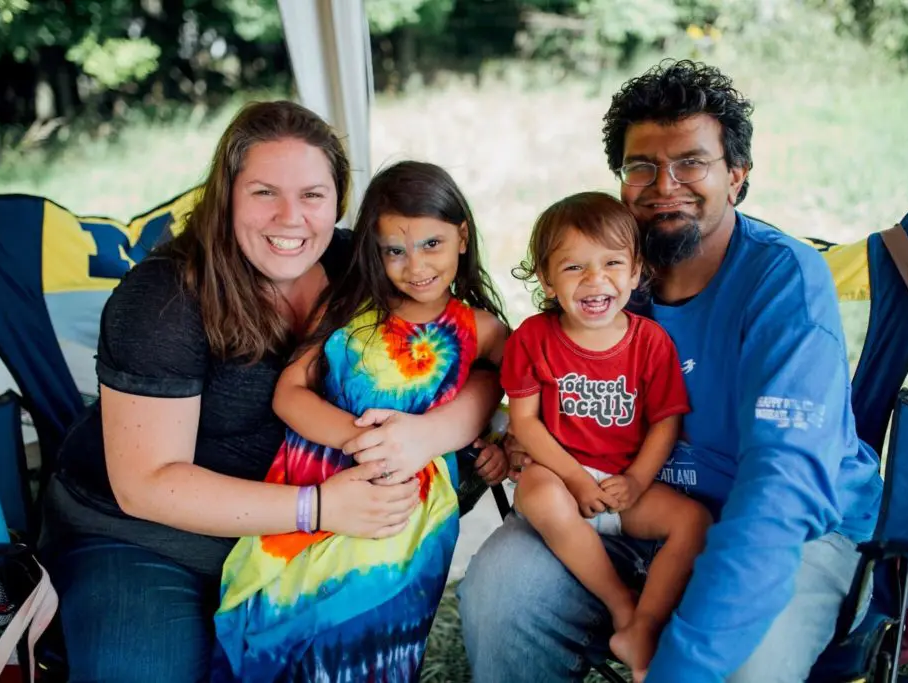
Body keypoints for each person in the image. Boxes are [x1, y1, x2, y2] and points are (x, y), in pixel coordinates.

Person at [39, 101, 507, 683]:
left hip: (318, 528)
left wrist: (432, 433)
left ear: (338, 201)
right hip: (150, 542)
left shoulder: (361, 265)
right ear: (226, 195)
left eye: (312, 195)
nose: (291, 218)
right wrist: (318, 507)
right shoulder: (163, 300)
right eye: (264, 193)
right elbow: (146, 485)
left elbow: (477, 358)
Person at [459, 59, 883, 683]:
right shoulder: (611, 278)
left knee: (742, 667)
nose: (665, 184)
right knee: (500, 591)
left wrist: (680, 667)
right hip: (623, 511)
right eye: (641, 166)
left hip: (782, 533)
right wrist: (528, 444)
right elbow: (541, 382)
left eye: (692, 162)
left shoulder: (781, 282)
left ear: (736, 177)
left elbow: (781, 489)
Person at [212, 160, 510, 682]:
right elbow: (289, 393)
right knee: (284, 622)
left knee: (371, 637)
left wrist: (500, 444)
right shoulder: (348, 306)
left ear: (462, 237)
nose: (415, 265)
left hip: (406, 509)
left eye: (432, 244)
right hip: (318, 478)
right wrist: (358, 438)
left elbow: (521, 395)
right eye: (395, 250)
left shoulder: (482, 329)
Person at [502, 191, 711, 682]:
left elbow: (666, 420)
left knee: (694, 522)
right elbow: (524, 422)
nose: (595, 280)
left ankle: (644, 625)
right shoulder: (533, 338)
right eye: (574, 268)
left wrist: (637, 481)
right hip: (561, 480)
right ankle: (620, 604)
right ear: (546, 279)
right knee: (536, 493)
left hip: (624, 485)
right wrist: (574, 480)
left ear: (636, 272)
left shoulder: (649, 341)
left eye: (612, 263)